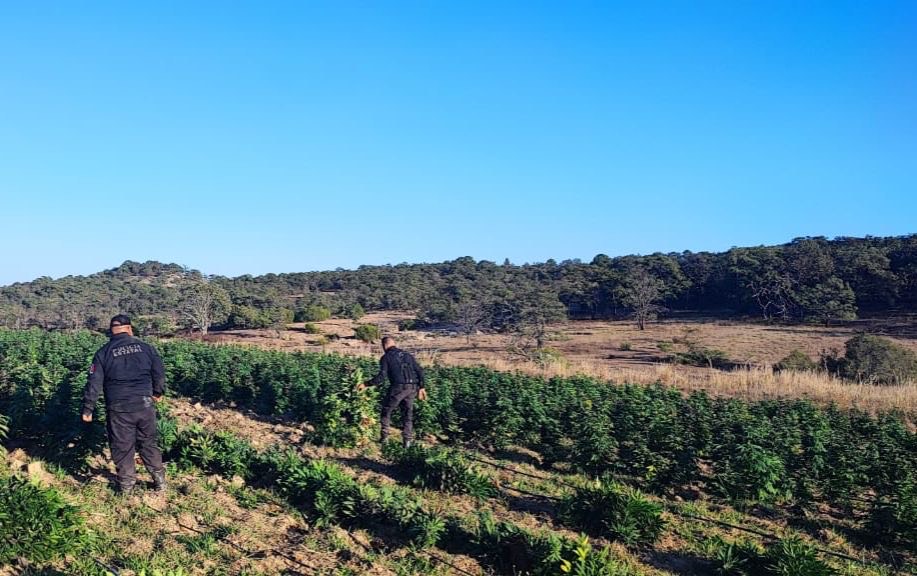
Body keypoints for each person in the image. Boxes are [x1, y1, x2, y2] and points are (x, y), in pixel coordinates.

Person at [81, 314, 167, 494]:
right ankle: (159, 481)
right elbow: (159, 372)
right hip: (144, 404)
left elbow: (94, 383)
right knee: (148, 442)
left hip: (118, 408)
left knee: (122, 446)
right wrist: (158, 392)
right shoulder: (146, 348)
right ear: (129, 329)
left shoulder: (103, 352)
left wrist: (88, 408)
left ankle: (127, 487)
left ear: (111, 332)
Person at [362, 336, 426, 448]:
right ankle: (407, 442)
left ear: (384, 345)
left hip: (398, 387)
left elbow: (382, 377)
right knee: (407, 414)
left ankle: (384, 437)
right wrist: (422, 387)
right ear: (394, 343)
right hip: (412, 388)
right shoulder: (407, 355)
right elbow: (419, 370)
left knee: (386, 410)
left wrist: (366, 384)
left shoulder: (386, 357)